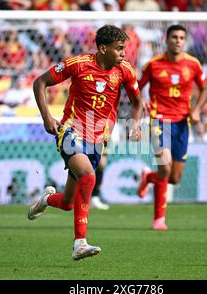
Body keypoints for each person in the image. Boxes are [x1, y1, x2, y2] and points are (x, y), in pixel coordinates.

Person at [28, 25, 142, 260]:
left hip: (97, 138)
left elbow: (137, 102)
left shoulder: (125, 71)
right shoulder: (78, 64)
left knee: (69, 203)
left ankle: (47, 199)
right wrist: (47, 117)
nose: (123, 53)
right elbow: (40, 82)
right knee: (89, 177)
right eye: (119, 48)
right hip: (71, 132)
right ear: (103, 48)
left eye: (124, 49)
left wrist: (136, 124)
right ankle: (79, 244)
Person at [137, 24, 207, 231]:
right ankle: (159, 219)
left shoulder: (193, 64)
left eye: (181, 38)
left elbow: (205, 89)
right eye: (174, 37)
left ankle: (148, 177)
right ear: (166, 39)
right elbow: (136, 87)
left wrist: (197, 110)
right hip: (159, 121)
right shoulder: (153, 64)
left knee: (174, 178)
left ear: (184, 41)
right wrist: (140, 100)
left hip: (182, 123)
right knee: (165, 167)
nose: (177, 40)